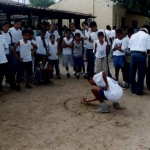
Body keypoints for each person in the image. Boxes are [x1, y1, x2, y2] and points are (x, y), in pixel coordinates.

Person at [129, 27, 150, 95]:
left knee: (132, 72)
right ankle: (139, 90)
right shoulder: (147, 36)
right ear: (146, 31)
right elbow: (148, 49)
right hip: (141, 55)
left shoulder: (133, 35)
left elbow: (129, 48)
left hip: (132, 54)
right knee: (141, 73)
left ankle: (132, 89)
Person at [1, 21, 16, 85]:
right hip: (2, 55)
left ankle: (8, 81)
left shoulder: (10, 34)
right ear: (2, 27)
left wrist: (12, 51)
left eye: (8, 27)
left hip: (9, 55)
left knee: (10, 69)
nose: (7, 28)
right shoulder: (0, 34)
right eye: (6, 27)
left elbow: (13, 44)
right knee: (2, 71)